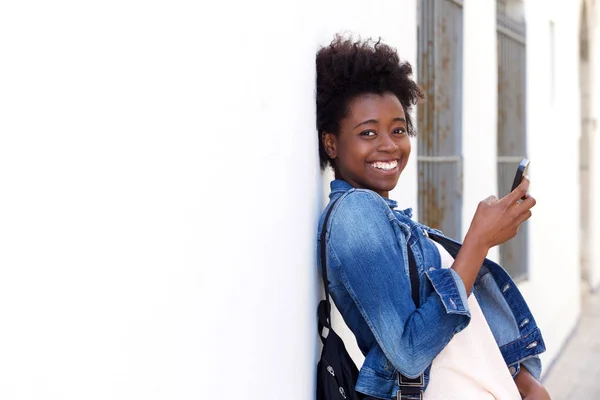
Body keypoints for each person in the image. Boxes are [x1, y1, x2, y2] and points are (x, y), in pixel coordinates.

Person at [316, 35, 551, 400]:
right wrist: (478, 241)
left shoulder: (387, 217)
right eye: (367, 133)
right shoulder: (355, 215)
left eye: (398, 129)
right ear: (331, 143)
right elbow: (409, 353)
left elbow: (456, 328)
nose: (389, 145)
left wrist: (520, 380)